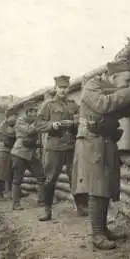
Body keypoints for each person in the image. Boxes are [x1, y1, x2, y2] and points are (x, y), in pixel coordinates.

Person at [72, 57, 130, 250]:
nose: (129, 84)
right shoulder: (92, 87)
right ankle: (97, 234)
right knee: (97, 187)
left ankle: (103, 230)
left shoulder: (113, 90)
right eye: (126, 81)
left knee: (107, 185)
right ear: (112, 77)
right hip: (92, 140)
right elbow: (104, 105)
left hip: (106, 139)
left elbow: (122, 108)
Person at [36, 75, 86, 221]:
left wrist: (74, 123)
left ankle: (80, 206)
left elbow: (81, 119)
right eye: (61, 87)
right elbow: (38, 124)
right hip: (54, 147)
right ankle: (47, 210)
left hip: (71, 146)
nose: (63, 90)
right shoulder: (48, 105)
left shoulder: (73, 104)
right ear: (56, 88)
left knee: (75, 177)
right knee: (50, 179)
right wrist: (52, 125)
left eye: (65, 87)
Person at [10, 102, 45, 210]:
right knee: (17, 180)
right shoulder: (20, 121)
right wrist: (38, 123)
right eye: (33, 111)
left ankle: (42, 201)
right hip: (20, 153)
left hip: (32, 153)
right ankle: (16, 204)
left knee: (41, 177)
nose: (35, 113)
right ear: (28, 112)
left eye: (36, 111)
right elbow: (29, 131)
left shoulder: (35, 121)